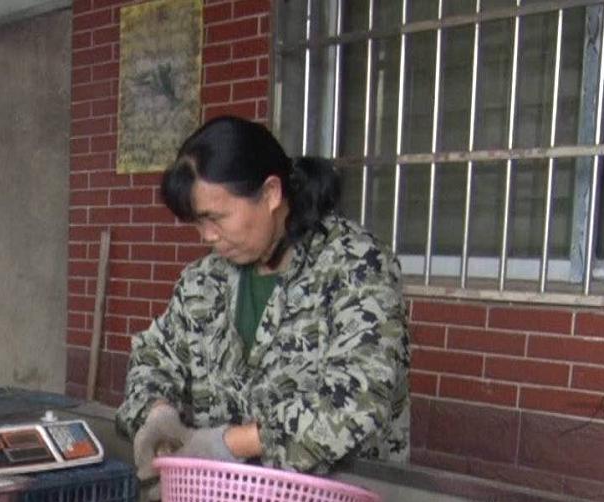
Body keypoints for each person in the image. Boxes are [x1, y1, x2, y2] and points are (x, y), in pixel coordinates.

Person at [116, 115, 409, 480]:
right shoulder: (205, 281)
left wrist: (227, 444)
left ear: (271, 193)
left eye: (216, 217)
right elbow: (155, 357)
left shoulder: (354, 267)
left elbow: (355, 403)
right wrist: (158, 413)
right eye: (197, 222)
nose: (206, 235)